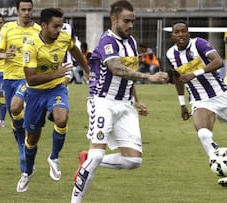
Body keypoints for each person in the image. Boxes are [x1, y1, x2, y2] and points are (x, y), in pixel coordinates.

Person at [71, 1, 168, 202]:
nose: (130, 25)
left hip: (125, 105)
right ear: (114, 19)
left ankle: (86, 160)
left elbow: (128, 74)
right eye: (126, 21)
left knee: (133, 160)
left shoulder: (131, 42)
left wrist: (137, 100)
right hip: (103, 103)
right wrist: (149, 77)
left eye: (133, 21)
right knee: (97, 154)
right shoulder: (107, 41)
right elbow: (117, 69)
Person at [166, 20, 227, 187]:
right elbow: (177, 78)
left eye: (183, 31)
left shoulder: (199, 44)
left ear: (188, 32)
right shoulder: (171, 54)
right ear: (172, 35)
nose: (180, 35)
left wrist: (195, 73)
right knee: (203, 134)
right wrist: (182, 104)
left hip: (221, 97)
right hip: (200, 100)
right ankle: (226, 173)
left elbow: (218, 61)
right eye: (177, 32)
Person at [17, 8, 89, 192]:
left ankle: (54, 157)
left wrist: (88, 70)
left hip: (56, 88)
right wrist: (56, 73)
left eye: (60, 26)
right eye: (55, 26)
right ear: (43, 26)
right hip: (35, 93)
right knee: (32, 138)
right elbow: (30, 79)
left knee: (61, 118)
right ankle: (27, 172)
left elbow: (75, 50)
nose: (59, 30)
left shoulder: (64, 38)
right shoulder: (31, 45)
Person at [0, 0, 41, 191]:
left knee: (16, 108)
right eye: (23, 10)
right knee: (16, 119)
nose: (26, 13)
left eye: (29, 9)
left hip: (29, 80)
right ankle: (24, 146)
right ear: (17, 11)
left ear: (32, 11)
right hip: (9, 79)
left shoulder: (38, 30)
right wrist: (6, 56)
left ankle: (26, 152)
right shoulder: (7, 29)